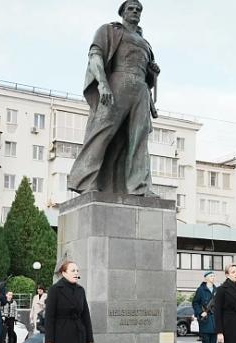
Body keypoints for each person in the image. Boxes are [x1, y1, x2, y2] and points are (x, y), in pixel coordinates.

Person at [67, 0, 161, 196]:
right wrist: (103, 84)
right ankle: (85, 180)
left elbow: (148, 76)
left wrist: (152, 73)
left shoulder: (145, 43)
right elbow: (95, 56)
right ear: (122, 12)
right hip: (117, 83)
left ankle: (139, 187)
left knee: (139, 138)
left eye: (138, 9)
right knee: (102, 132)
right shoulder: (109, 30)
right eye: (131, 8)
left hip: (141, 90)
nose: (135, 11)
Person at [192, 271, 218, 343]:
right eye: (211, 276)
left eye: (214, 276)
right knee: (206, 341)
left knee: (213, 341)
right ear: (206, 278)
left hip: (215, 319)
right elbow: (195, 303)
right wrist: (200, 312)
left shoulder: (216, 290)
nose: (213, 277)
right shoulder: (201, 290)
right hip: (205, 319)